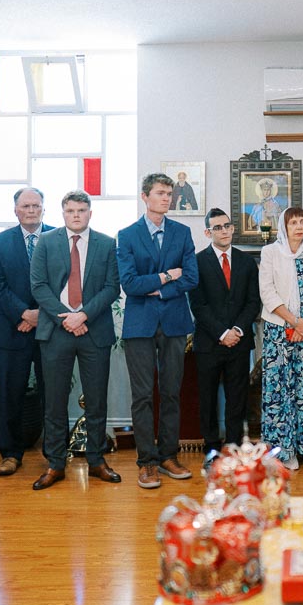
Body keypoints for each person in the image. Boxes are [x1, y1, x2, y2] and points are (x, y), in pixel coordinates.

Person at [29, 189, 121, 491]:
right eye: (71, 211)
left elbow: (111, 288)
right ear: (62, 213)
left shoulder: (107, 243)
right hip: (56, 331)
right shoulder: (46, 241)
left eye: (82, 210)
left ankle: (96, 460)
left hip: (94, 330)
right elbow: (39, 286)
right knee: (54, 401)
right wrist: (67, 316)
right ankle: (55, 463)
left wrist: (83, 316)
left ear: (90, 213)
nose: (76, 215)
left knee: (96, 400)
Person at [117, 173, 199, 489]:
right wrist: (166, 277)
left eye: (169, 194)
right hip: (139, 325)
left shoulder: (182, 232)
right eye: (161, 193)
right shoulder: (127, 235)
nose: (167, 198)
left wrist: (158, 289)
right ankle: (146, 462)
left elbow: (191, 278)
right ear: (145, 197)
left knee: (171, 392)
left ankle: (168, 456)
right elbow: (130, 284)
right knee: (142, 396)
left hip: (175, 323)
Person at [0, 186, 53, 477]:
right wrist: (24, 314)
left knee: (53, 394)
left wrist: (41, 314)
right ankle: (10, 454)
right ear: (16, 210)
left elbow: (64, 281)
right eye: (25, 206)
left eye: (36, 205)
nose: (30, 210)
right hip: (11, 330)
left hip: (50, 329)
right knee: (10, 394)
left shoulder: (58, 238)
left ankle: (54, 453)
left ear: (43, 208)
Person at [258, 206, 303, 469]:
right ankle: (285, 451)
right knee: (281, 390)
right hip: (279, 330)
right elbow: (267, 291)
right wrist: (294, 322)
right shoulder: (271, 253)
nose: (299, 226)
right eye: (293, 223)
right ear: (284, 227)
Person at [190, 208, 260, 461]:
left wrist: (237, 330)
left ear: (232, 228)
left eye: (227, 226)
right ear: (208, 232)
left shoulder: (246, 261)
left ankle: (233, 447)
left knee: (237, 397)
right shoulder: (197, 262)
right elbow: (198, 305)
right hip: (209, 342)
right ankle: (211, 447)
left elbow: (253, 302)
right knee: (207, 397)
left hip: (239, 342)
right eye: (217, 227)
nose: (223, 231)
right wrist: (222, 333)